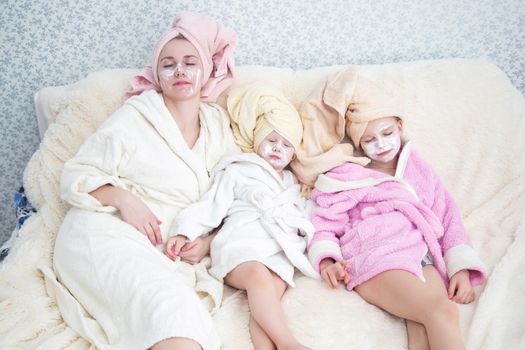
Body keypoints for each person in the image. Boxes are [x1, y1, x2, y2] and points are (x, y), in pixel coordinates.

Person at [50, 12, 238, 350]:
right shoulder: (136, 115)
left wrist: (210, 240)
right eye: (168, 64)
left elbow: (234, 193)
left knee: (181, 312)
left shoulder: (217, 125)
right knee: (168, 309)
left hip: (162, 245)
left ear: (207, 70)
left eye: (190, 62)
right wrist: (124, 199)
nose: (179, 70)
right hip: (103, 230)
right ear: (157, 74)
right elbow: (76, 174)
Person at [307, 71, 487, 350]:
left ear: (400, 127)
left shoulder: (417, 167)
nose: (381, 144)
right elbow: (325, 222)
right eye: (369, 140)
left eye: (387, 133)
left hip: (422, 256)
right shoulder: (348, 176)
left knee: (424, 327)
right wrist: (328, 259)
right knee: (442, 312)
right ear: (358, 144)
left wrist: (460, 268)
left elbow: (447, 213)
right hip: (378, 255)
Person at [166, 82, 317, 350]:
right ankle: (290, 345)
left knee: (268, 301)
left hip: (279, 250)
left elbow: (305, 218)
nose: (277, 149)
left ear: (293, 153)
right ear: (258, 141)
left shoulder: (293, 183)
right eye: (271, 140)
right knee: (258, 278)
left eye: (285, 145)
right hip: (241, 245)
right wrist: (185, 231)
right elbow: (211, 205)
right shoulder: (238, 169)